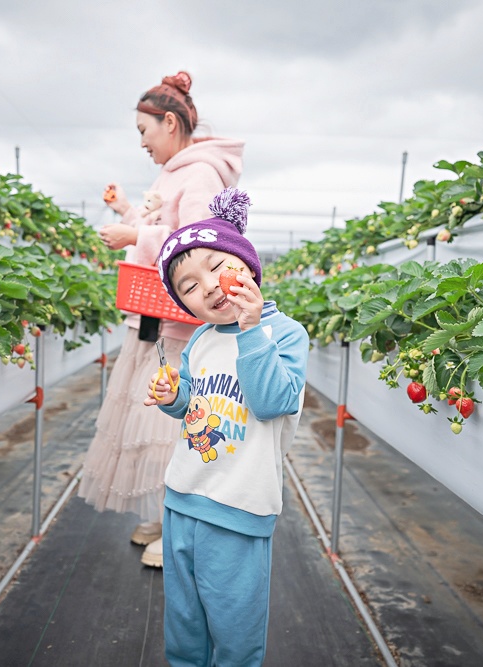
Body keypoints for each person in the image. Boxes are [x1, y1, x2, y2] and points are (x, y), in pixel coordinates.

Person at [77, 71, 244, 567]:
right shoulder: (176, 171)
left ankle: (179, 531)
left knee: (175, 421)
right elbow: (162, 225)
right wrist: (128, 212)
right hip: (152, 318)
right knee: (154, 420)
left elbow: (195, 243)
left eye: (144, 131)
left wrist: (133, 238)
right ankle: (163, 515)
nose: (143, 142)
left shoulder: (200, 174)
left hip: (176, 323)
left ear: (169, 122)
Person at [145, 188, 309, 666]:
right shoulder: (200, 339)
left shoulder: (284, 334)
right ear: (185, 305)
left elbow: (272, 402)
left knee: (235, 632)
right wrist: (175, 398)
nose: (210, 286)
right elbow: (195, 405)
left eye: (218, 266)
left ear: (248, 264)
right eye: (190, 286)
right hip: (183, 496)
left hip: (239, 508)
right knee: (184, 623)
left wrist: (251, 328)